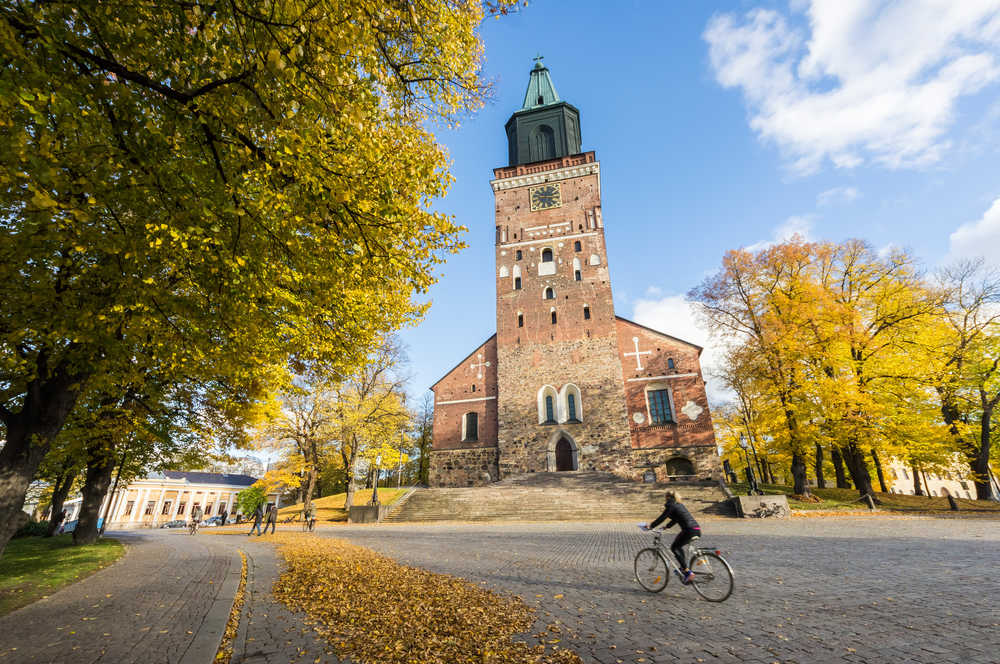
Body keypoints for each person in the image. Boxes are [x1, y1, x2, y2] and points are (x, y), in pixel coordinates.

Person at [642, 490, 701, 584]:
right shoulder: (679, 505)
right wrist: (666, 526)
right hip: (696, 529)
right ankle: (684, 568)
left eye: (665, 498)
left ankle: (687, 572)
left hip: (688, 530)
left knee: (674, 547)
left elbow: (663, 517)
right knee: (679, 547)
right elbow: (676, 519)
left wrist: (651, 526)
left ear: (667, 497)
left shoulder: (671, 505)